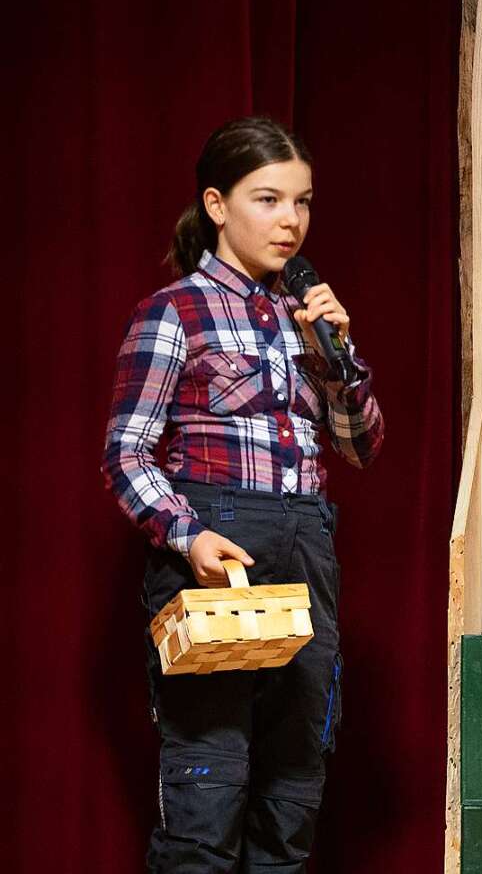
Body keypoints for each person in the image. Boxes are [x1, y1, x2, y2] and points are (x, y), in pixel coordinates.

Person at [101, 116, 384, 873]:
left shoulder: (309, 320)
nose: (290, 220)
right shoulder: (175, 311)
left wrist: (337, 357)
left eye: (303, 201)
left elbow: (360, 445)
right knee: (207, 794)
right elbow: (126, 452)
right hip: (217, 549)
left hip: (305, 548)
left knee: (292, 799)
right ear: (218, 205)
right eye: (268, 199)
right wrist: (186, 533)